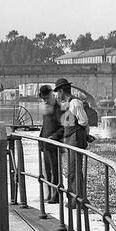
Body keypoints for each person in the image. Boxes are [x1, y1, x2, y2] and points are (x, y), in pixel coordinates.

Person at [54, 78, 89, 207]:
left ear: (62, 91)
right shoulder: (70, 103)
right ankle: (77, 197)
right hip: (70, 139)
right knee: (72, 170)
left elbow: (83, 121)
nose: (58, 95)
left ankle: (76, 200)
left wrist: (78, 131)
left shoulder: (75, 103)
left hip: (75, 139)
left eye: (58, 92)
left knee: (74, 170)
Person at [38, 84, 62, 203]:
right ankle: (49, 193)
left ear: (52, 95)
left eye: (47, 98)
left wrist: (54, 137)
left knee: (55, 171)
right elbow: (45, 126)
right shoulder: (47, 109)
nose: (45, 101)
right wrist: (40, 140)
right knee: (47, 171)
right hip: (45, 145)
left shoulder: (59, 109)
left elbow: (65, 127)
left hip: (54, 145)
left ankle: (56, 195)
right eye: (43, 99)